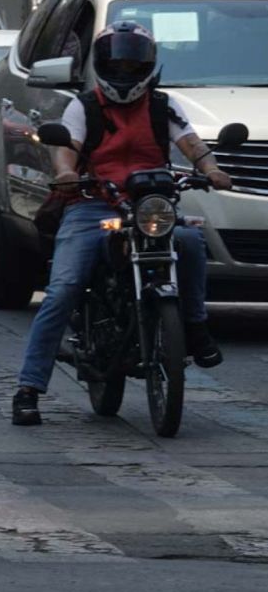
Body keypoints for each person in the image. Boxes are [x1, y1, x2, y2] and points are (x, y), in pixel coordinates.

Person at [12, 21, 233, 426]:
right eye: (118, 64)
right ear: (101, 64)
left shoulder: (162, 105)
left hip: (150, 207)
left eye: (135, 65)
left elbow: (191, 144)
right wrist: (65, 172)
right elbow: (67, 147)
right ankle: (29, 389)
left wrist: (212, 168)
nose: (126, 73)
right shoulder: (85, 106)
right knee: (62, 290)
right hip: (93, 204)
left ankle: (196, 327)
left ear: (148, 66)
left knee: (188, 240)